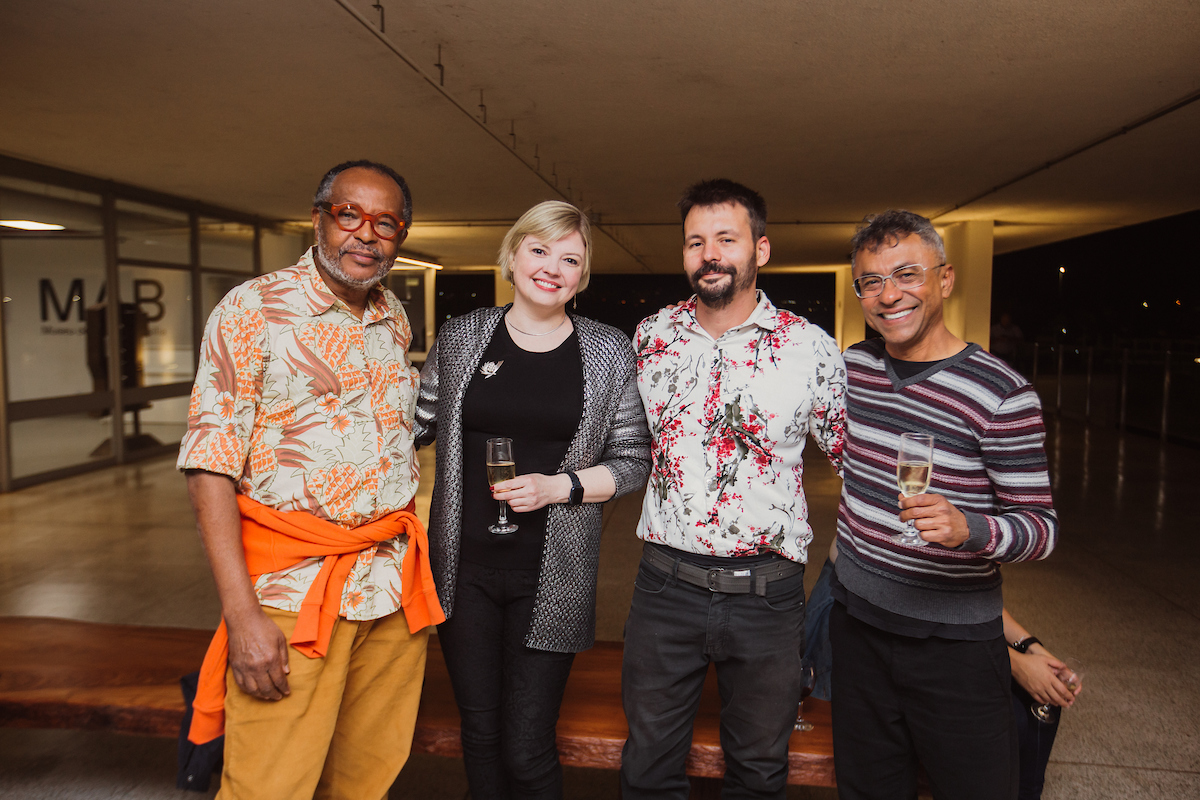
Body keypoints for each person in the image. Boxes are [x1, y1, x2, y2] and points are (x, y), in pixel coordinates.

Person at [178, 160, 443, 799]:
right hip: (291, 598)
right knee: (269, 786)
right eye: (350, 214)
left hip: (389, 591)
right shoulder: (253, 310)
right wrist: (243, 618)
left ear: (400, 236)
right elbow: (209, 466)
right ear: (319, 218)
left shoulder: (393, 317)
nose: (366, 234)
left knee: (365, 781)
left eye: (386, 223)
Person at [414, 200, 651, 800]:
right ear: (513, 255)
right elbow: (411, 426)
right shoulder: (464, 336)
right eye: (539, 250)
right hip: (460, 570)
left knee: (526, 743)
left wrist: (557, 487)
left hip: (554, 576)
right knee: (481, 731)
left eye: (570, 258)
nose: (552, 268)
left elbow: (632, 462)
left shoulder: (607, 351)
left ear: (583, 273)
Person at [620, 179, 847, 800]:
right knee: (648, 768)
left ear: (761, 250)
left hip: (768, 596)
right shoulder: (651, 337)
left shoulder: (810, 349)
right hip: (665, 586)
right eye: (696, 242)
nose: (709, 254)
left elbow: (854, 465)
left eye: (726, 238)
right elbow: (624, 446)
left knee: (758, 771)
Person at [830, 209, 1059, 800]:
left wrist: (970, 529)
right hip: (856, 632)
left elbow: (1041, 528)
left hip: (953, 651)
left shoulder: (1001, 394)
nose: (889, 295)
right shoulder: (853, 368)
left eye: (907, 274)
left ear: (945, 278)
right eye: (872, 281)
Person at [1004, 610, 1081, 800]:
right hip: (940, 643)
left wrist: (1031, 647)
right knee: (1015, 719)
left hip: (980, 638)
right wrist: (1016, 663)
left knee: (1046, 694)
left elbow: (987, 602)